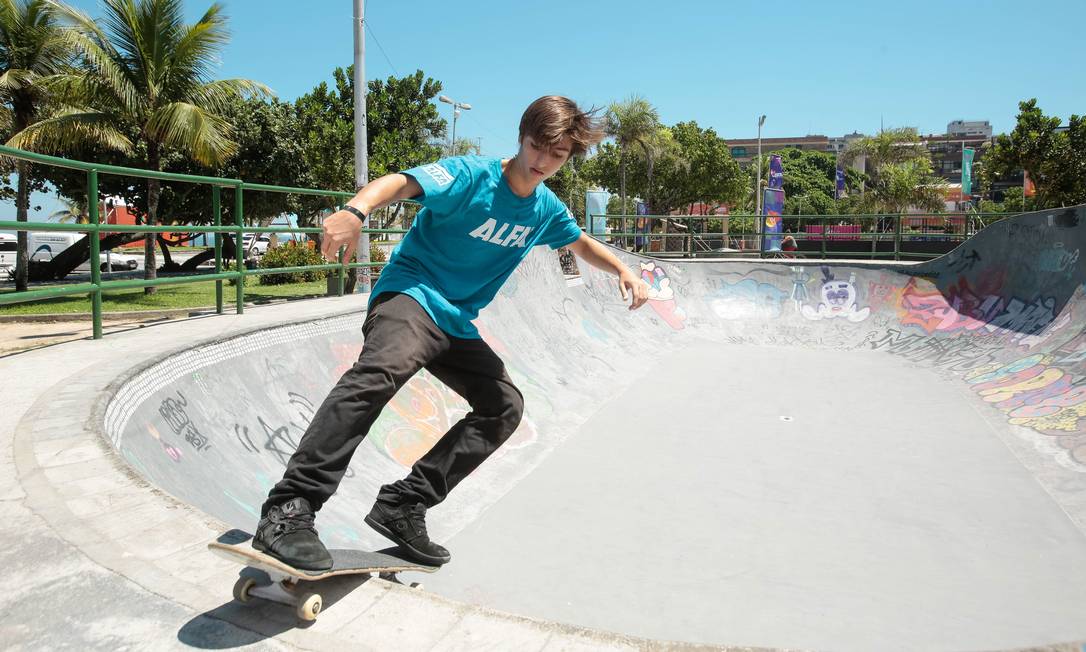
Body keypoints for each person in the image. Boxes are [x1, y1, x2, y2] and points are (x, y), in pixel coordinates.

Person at [253, 96, 649, 570]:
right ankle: (289, 509)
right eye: (536, 147)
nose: (543, 161)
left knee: (504, 408)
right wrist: (355, 212)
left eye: (557, 155)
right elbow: (401, 182)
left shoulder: (546, 208)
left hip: (455, 322)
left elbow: (579, 243)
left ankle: (404, 504)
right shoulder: (470, 176)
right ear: (521, 136)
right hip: (411, 295)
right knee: (382, 370)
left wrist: (624, 269)